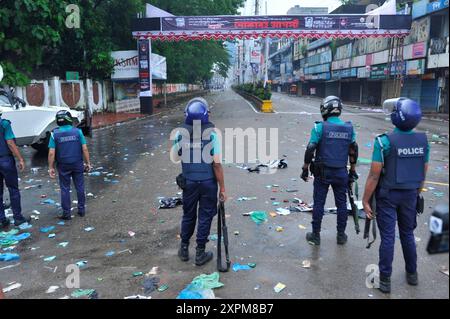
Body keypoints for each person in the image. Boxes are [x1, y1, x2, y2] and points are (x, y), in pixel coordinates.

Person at [362, 98, 429, 294]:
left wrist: (365, 200)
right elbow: (423, 172)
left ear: (396, 116)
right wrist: (417, 193)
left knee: (388, 237)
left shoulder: (383, 142)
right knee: (407, 234)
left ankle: (385, 280)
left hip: (388, 196)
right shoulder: (423, 141)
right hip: (410, 195)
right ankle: (412, 274)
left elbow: (374, 175)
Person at [172, 98, 226, 266]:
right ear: (206, 115)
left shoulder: (180, 134)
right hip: (208, 183)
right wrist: (222, 188)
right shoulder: (212, 135)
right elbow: (216, 164)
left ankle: (184, 249)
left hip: (189, 182)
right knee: (205, 216)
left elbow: (177, 155)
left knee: (188, 215)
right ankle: (200, 253)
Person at [301, 96, 358, 246]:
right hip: (341, 173)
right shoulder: (349, 128)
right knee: (342, 204)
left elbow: (311, 148)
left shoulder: (319, 127)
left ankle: (315, 235)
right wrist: (352, 170)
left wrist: (305, 168)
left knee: (319, 203)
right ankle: (341, 235)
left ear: (324, 109)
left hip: (322, 173)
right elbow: (353, 150)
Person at [48, 110, 91, 220]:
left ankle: (66, 213)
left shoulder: (54, 133)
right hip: (77, 163)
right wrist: (88, 163)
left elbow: (51, 153)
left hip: (63, 165)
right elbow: (85, 149)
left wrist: (50, 167)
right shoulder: (78, 132)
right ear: (69, 119)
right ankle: (81, 210)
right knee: (80, 187)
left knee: (65, 188)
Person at [0, 110, 30, 228]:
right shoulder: (4, 124)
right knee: (13, 189)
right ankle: (18, 218)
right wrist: (20, 159)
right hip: (5, 160)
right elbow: (10, 143)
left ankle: (2, 219)